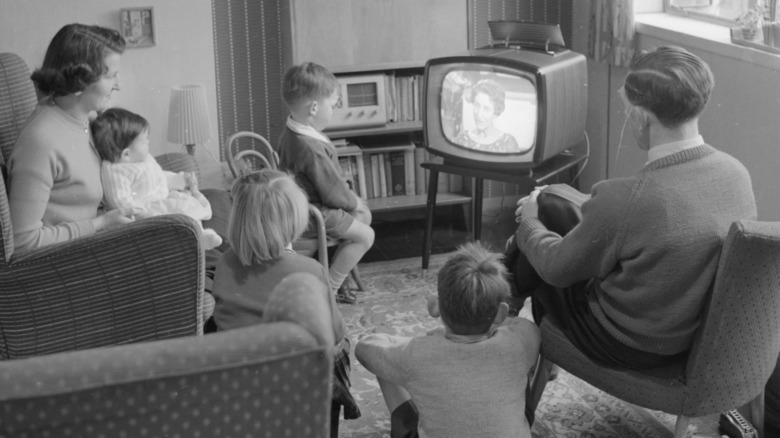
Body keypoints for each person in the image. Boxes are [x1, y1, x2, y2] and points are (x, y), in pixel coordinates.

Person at [506, 46, 757, 404]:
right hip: (682, 335)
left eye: (627, 112)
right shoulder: (736, 173)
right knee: (554, 201)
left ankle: (491, 318)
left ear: (641, 117)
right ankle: (498, 305)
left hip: (621, 341)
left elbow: (557, 270)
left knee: (535, 244)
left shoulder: (626, 197)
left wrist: (530, 223)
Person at [211, 169, 360, 436]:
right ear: (295, 221)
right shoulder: (310, 269)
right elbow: (334, 334)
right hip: (294, 380)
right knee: (341, 344)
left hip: (237, 375)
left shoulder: (225, 262)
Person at [356, 242, 540, 438]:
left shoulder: (416, 354)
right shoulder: (518, 343)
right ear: (501, 314)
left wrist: (427, 339)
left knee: (387, 364)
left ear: (435, 308)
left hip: (419, 357)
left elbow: (365, 348)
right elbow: (524, 325)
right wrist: (494, 317)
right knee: (519, 374)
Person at [8, 23, 137, 251]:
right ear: (79, 81)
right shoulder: (41, 142)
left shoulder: (85, 119)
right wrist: (100, 224)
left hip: (93, 239)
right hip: (70, 260)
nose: (119, 85)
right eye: (111, 76)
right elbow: (23, 240)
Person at [276, 62, 374, 304]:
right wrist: (354, 200)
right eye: (333, 104)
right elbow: (332, 193)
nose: (335, 109)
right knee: (366, 235)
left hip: (301, 208)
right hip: (316, 213)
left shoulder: (291, 132)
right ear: (314, 108)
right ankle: (329, 289)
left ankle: (337, 275)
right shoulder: (311, 148)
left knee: (362, 218)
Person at [91, 107, 222, 250]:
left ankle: (201, 234)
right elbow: (120, 201)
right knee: (177, 215)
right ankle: (193, 239)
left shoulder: (143, 159)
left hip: (162, 200)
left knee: (186, 204)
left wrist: (180, 180)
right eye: (144, 141)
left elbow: (158, 177)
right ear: (126, 154)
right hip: (146, 214)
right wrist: (144, 215)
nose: (148, 142)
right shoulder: (114, 171)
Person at [455, 79, 520, 153]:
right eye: (477, 105)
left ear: (496, 112)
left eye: (486, 109)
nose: (479, 115)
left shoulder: (508, 143)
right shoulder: (462, 138)